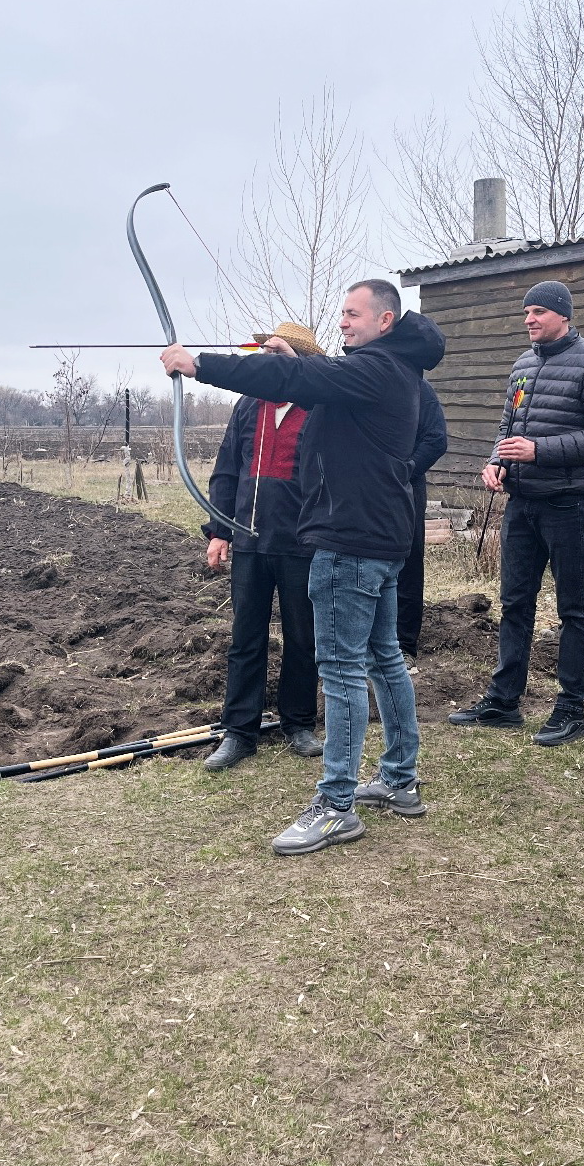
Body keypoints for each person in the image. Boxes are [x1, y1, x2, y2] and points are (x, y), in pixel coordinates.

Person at [162, 280, 446, 855]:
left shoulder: (376, 368)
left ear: (385, 320)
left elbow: (294, 379)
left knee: (341, 671)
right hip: (377, 537)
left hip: (349, 541)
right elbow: (305, 381)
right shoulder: (395, 368)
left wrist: (198, 365)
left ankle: (336, 806)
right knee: (383, 659)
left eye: (353, 314)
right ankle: (399, 778)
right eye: (341, 313)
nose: (342, 322)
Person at [449, 280, 584, 746]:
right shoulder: (524, 364)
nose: (529, 319)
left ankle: (571, 709)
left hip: (568, 501)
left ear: (563, 314)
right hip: (522, 502)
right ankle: (504, 702)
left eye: (539, 312)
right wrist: (497, 461)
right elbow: (508, 425)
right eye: (526, 311)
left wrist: (539, 450)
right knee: (515, 603)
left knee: (575, 608)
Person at [202, 322, 324, 770]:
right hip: (250, 540)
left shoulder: (318, 406)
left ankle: (299, 723)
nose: (265, 360)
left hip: (302, 543)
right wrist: (220, 531)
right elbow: (226, 471)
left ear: (297, 360)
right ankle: (239, 732)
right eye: (264, 352)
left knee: (302, 637)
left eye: (275, 352)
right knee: (245, 638)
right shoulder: (249, 404)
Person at [397, 380, 448, 659]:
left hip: (405, 487)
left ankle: (404, 643)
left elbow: (436, 439)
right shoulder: (359, 379)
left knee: (408, 560)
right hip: (364, 487)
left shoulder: (418, 388)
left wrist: (406, 470)